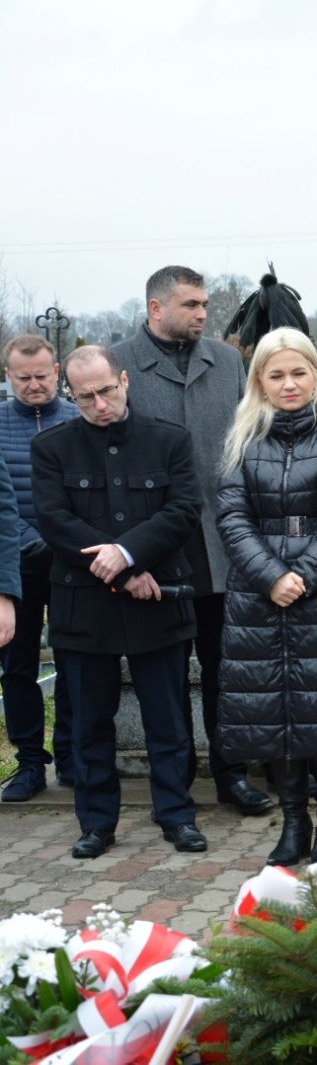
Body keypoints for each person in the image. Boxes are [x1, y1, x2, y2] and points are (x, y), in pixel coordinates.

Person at [31, 346, 204, 858]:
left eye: (106, 391)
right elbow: (55, 521)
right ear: (71, 393)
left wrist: (128, 553)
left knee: (167, 719)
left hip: (158, 597)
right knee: (88, 723)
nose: (100, 405)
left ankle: (176, 815)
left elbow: (183, 510)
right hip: (85, 606)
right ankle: (96, 823)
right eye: (85, 397)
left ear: (124, 380)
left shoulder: (169, 439)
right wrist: (124, 571)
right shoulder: (52, 447)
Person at [114, 266, 274, 818]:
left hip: (223, 542)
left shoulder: (227, 361)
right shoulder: (119, 362)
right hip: (156, 548)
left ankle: (232, 774)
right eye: (191, 305)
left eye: (204, 304)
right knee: (164, 677)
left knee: (227, 669)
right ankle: (174, 779)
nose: (203, 313)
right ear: (156, 308)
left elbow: (249, 441)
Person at [214, 327, 317, 866]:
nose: (289, 384)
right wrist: (270, 577)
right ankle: (292, 821)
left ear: (316, 374)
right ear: (259, 380)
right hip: (259, 593)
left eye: (299, 372)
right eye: (276, 374)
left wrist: (302, 574)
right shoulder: (243, 437)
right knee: (275, 711)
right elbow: (232, 516)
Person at [1, 335, 78, 801]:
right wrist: (30, 538)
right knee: (18, 666)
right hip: (15, 563)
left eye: (42, 376)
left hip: (72, 561)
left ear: (57, 371)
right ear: (8, 375)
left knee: (75, 662)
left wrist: (59, 539)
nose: (34, 385)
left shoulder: (78, 418)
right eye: (23, 377)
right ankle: (29, 761)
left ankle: (71, 754)